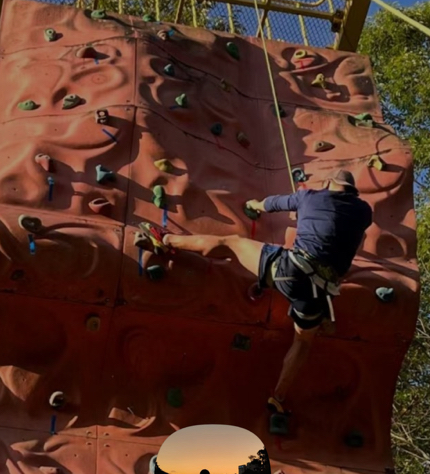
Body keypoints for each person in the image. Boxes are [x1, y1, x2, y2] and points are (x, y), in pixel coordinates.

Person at [135, 170, 372, 418]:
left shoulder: (309, 197)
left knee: (231, 243)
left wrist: (253, 205)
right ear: (351, 192)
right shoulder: (364, 212)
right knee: (302, 342)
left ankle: (165, 240)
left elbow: (272, 204)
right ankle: (278, 398)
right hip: (319, 290)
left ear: (327, 183)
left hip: (291, 270)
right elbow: (351, 230)